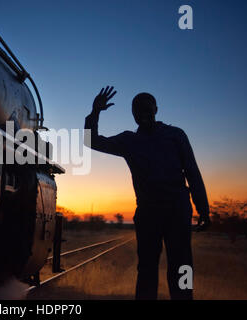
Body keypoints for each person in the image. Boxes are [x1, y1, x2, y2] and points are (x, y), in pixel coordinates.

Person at [84, 86, 211, 300]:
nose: (143, 114)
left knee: (181, 266)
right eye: (138, 110)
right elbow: (91, 141)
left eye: (147, 109)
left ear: (156, 109)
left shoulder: (176, 135)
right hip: (149, 213)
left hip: (176, 211)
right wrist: (95, 112)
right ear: (133, 114)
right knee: (147, 268)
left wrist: (203, 210)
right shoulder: (129, 141)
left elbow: (192, 172)